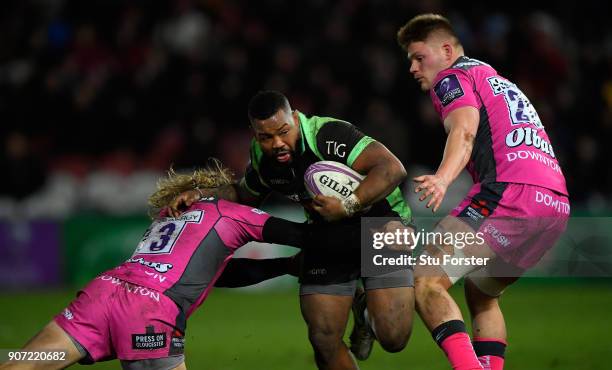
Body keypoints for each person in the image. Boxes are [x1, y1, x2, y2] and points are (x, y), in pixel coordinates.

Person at [0, 164, 362, 370]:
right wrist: (358, 229)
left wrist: (284, 266)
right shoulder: (229, 211)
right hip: (148, 312)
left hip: (102, 293)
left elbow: (216, 274)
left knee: (25, 363)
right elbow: (307, 237)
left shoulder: (169, 215)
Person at [168, 90, 415, 369]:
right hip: (325, 234)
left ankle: (366, 314)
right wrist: (203, 194)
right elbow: (244, 194)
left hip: (382, 223)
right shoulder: (263, 158)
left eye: (283, 132)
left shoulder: (329, 135)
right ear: (255, 133)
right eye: (266, 137)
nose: (277, 144)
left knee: (394, 337)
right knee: (323, 339)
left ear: (295, 118)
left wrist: (348, 205)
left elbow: (392, 168)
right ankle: (360, 307)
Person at [396, 14, 570, 370]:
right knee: (482, 292)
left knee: (427, 282)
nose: (413, 68)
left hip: (510, 193)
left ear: (446, 50)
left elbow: (464, 129)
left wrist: (443, 178)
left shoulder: (451, 77)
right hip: (554, 204)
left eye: (418, 57)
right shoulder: (493, 77)